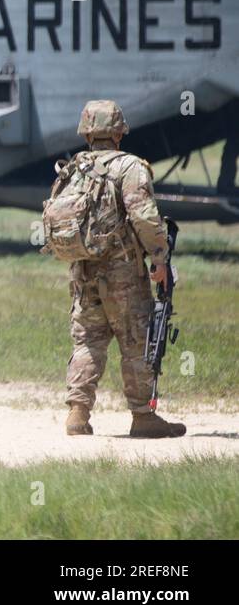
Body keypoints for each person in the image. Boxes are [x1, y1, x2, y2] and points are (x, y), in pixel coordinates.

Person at [55, 100, 186, 438]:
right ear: (118, 132)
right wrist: (160, 257)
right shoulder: (130, 167)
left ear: (85, 131)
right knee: (136, 341)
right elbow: (143, 216)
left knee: (88, 343)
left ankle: (78, 414)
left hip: (83, 272)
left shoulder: (74, 168)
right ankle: (143, 416)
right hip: (123, 274)